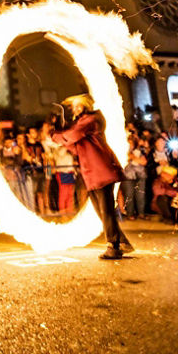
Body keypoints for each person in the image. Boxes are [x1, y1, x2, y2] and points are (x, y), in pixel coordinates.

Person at [52, 94, 132, 259]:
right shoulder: (82, 123)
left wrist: (56, 135)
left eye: (78, 106)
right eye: (74, 107)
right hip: (92, 174)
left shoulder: (91, 120)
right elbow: (73, 145)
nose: (75, 109)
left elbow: (73, 135)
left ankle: (114, 246)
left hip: (101, 170)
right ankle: (122, 242)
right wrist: (62, 135)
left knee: (106, 211)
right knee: (101, 211)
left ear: (86, 105)